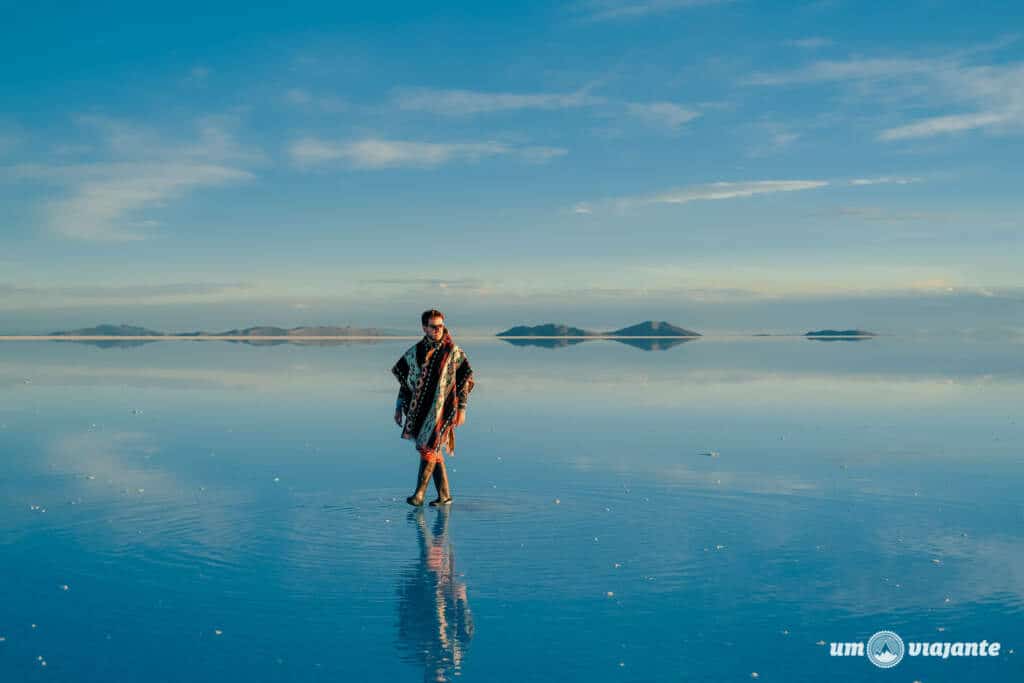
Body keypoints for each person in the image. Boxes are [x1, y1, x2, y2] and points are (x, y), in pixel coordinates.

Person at [392, 309, 475, 506]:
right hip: (418, 410)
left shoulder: (453, 352)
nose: (438, 330)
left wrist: (462, 409)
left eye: (441, 326)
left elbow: (464, 381)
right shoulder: (416, 351)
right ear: (424, 327)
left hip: (443, 410)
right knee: (432, 450)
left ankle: (419, 494)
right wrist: (397, 407)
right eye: (433, 326)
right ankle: (445, 495)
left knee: (428, 447)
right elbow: (405, 381)